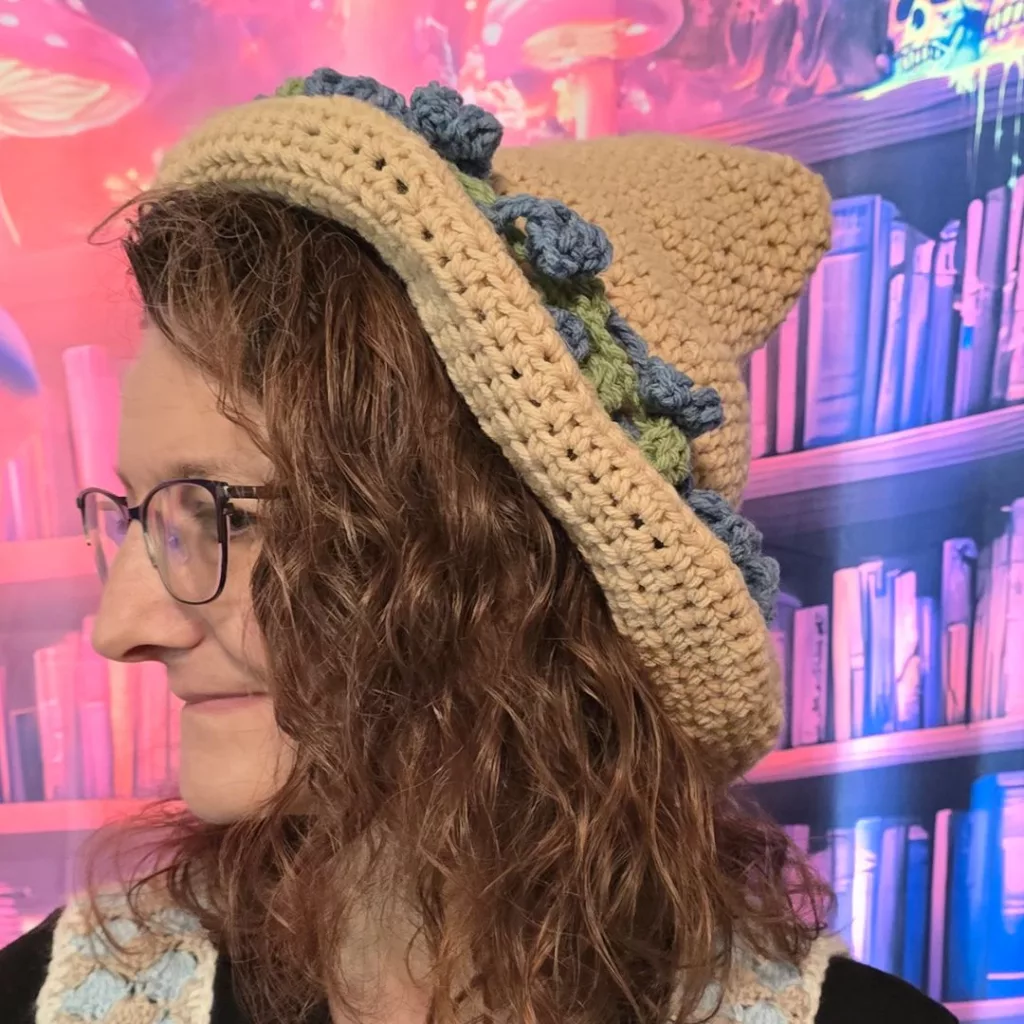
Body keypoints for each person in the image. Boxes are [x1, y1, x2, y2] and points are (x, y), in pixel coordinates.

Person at [0, 70, 955, 1024]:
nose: (122, 630)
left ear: (508, 554)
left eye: (226, 516)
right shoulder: (69, 998)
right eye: (140, 518)